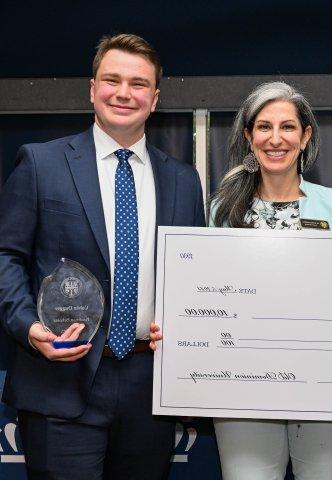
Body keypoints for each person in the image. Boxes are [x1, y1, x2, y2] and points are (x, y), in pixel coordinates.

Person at [0, 33, 205, 480]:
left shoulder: (184, 181)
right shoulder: (40, 163)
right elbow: (6, 256)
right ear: (93, 89)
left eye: (138, 83)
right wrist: (27, 327)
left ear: (155, 98)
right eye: (112, 80)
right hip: (60, 379)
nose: (124, 93)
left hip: (150, 387)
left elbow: (196, 280)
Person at [211, 81, 332, 479]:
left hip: (329, 386)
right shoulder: (221, 210)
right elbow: (204, 296)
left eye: (287, 127)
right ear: (249, 137)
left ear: (305, 135)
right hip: (243, 384)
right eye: (263, 127)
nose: (275, 139)